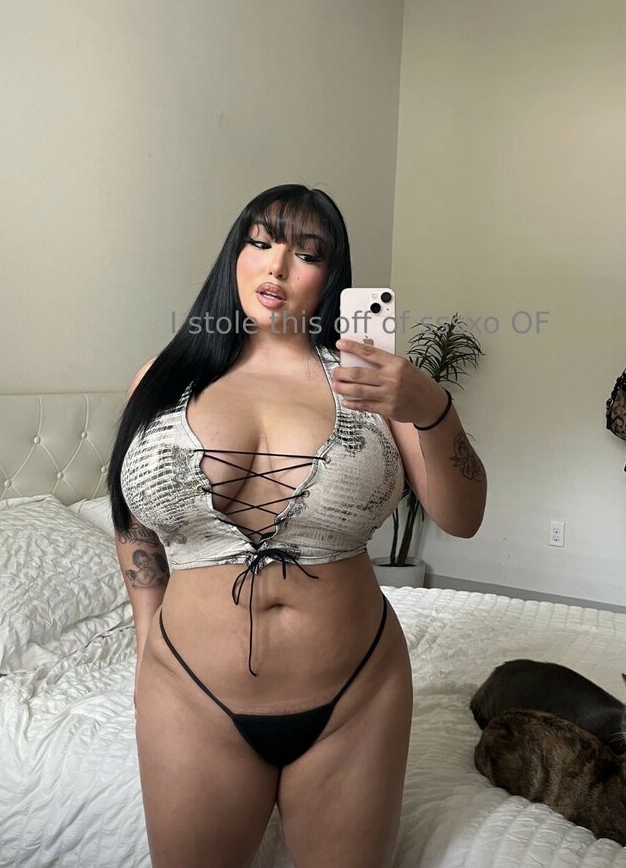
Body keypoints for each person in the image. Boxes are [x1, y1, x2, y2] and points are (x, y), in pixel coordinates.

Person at [107, 183, 487, 868]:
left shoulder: (372, 383)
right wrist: (144, 644)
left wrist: (432, 406)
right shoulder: (161, 381)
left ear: (332, 276)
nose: (277, 267)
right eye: (260, 243)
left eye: (306, 254)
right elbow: (134, 523)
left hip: (356, 698)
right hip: (188, 692)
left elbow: (463, 518)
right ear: (235, 255)